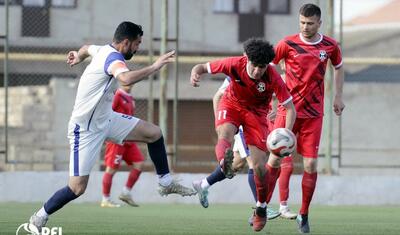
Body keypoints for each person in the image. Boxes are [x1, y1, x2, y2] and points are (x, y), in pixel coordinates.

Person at [28, 21, 196, 232]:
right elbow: (124, 78)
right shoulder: (114, 58)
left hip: (106, 119)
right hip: (86, 129)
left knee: (154, 133)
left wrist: (79, 56)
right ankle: (39, 217)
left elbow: (86, 48)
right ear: (126, 42)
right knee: (77, 188)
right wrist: (155, 66)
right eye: (137, 44)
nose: (137, 48)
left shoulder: (102, 50)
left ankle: (165, 182)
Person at [190, 38, 297, 232]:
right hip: (231, 105)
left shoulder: (273, 76)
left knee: (258, 167)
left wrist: (286, 132)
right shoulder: (233, 64)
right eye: (254, 66)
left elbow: (290, 108)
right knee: (226, 134)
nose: (257, 71)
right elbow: (201, 67)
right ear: (246, 58)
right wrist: (195, 73)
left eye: (262, 67)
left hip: (256, 115)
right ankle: (224, 159)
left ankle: (261, 208)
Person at [267, 4, 345, 233]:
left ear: (319, 23)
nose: (305, 27)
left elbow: (339, 67)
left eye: (310, 23)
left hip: (313, 115)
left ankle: (304, 214)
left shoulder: (330, 46)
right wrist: (272, 102)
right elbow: (270, 69)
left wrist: (338, 96)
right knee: (274, 160)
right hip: (287, 111)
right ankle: (261, 207)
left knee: (310, 163)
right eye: (302, 22)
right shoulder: (287, 43)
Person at [192, 77, 281, 222]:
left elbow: (277, 96)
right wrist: (220, 124)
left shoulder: (269, 69)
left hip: (256, 123)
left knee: (236, 165)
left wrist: (275, 109)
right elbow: (218, 96)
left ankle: (203, 184)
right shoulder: (237, 72)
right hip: (243, 124)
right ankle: (261, 208)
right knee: (254, 163)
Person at [101, 84, 145, 208]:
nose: (130, 82)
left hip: (129, 139)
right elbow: (108, 114)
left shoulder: (130, 98)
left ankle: (126, 193)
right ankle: (105, 199)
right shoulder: (117, 96)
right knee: (111, 169)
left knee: (139, 164)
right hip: (117, 139)